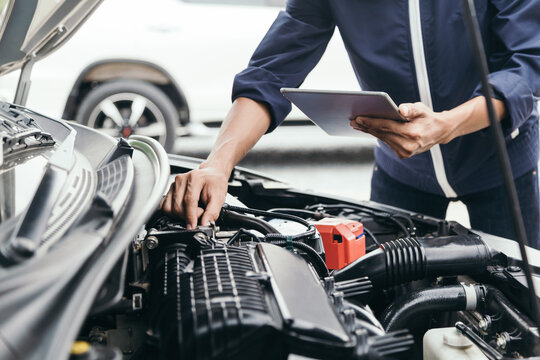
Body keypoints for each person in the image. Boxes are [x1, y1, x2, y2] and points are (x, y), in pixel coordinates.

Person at [161, 0, 540, 248]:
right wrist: (217, 165)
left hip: (501, 167)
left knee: (522, 303)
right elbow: (269, 71)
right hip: (401, 171)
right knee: (393, 301)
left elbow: (525, 63)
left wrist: (447, 125)